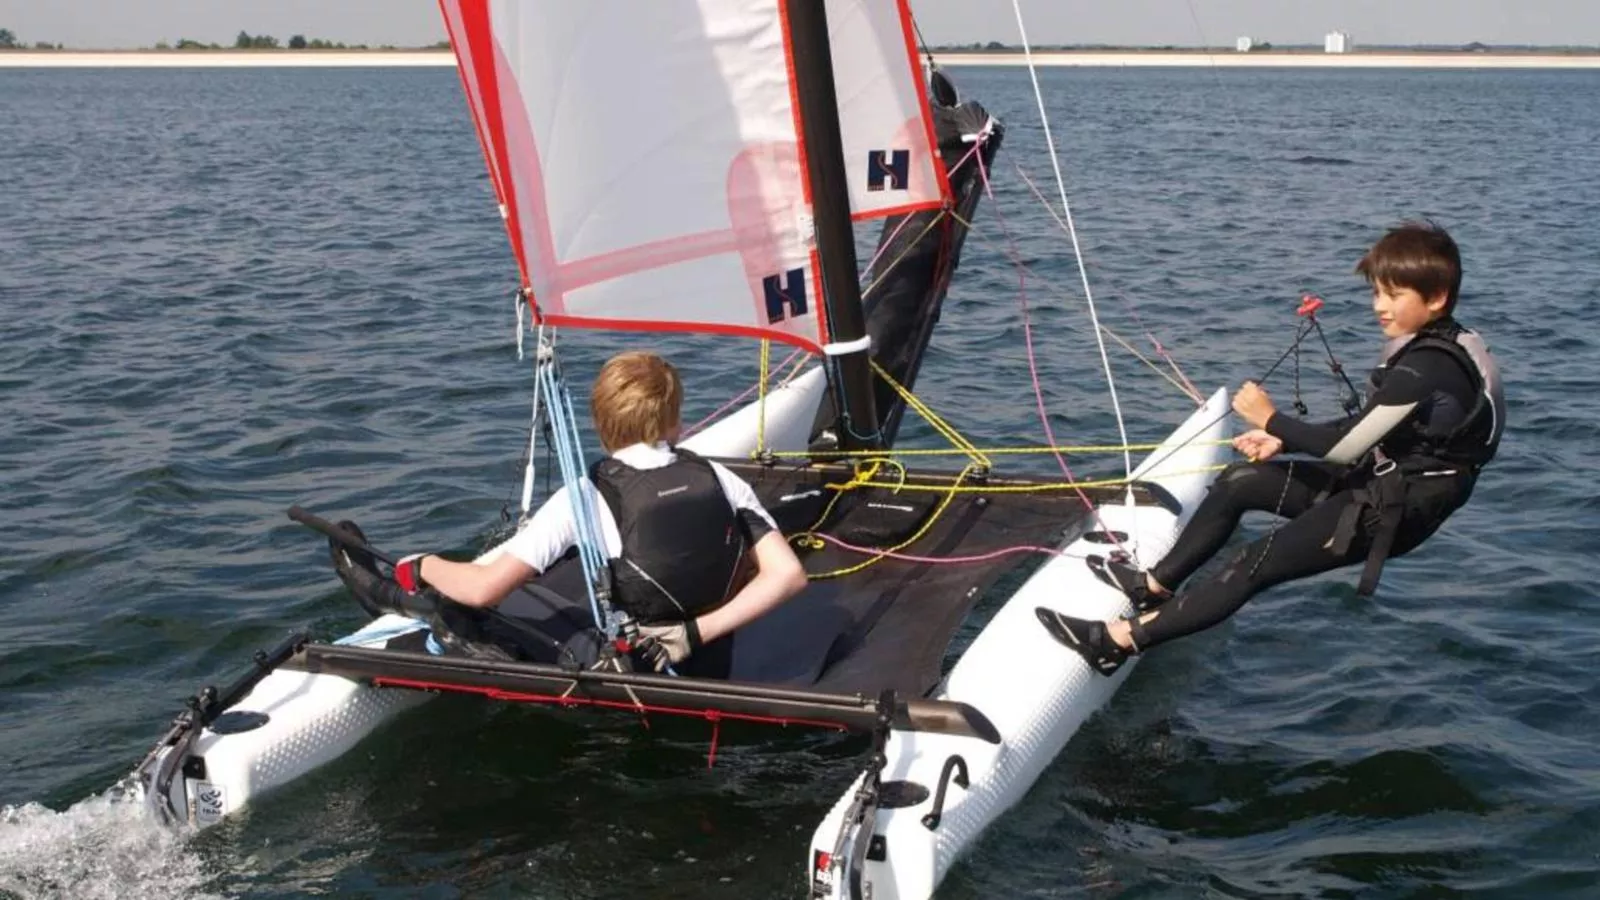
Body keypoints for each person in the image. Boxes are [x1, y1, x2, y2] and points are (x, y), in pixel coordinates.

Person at [1036, 221, 1504, 675]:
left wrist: (1270, 417)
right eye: (1376, 292)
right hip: (1375, 482)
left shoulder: (1429, 366)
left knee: (1252, 563)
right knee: (1240, 483)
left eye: (1393, 295)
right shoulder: (1435, 345)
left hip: (1393, 511)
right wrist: (1283, 438)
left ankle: (1116, 642)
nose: (1379, 306)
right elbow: (1370, 428)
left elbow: (1345, 446)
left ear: (1437, 298)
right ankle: (1155, 587)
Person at [333, 351, 809, 677]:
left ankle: (398, 599)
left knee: (487, 600)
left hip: (635, 672)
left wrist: (423, 564)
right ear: (674, 422)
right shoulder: (721, 479)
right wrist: (692, 634)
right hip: (706, 660)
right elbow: (787, 575)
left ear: (601, 426)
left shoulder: (585, 494)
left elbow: (484, 588)